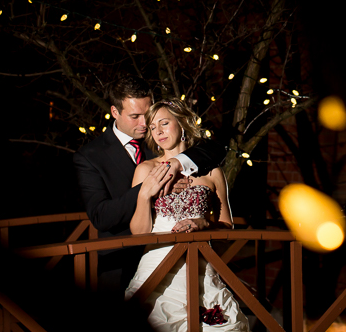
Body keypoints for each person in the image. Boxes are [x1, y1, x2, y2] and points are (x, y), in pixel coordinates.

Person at [73, 75, 227, 295]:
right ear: (115, 112)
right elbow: (101, 216)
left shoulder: (159, 138)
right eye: (135, 116)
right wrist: (149, 187)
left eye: (147, 115)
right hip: (120, 263)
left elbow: (214, 150)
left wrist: (176, 162)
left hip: (184, 260)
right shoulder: (90, 156)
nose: (145, 124)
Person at [125, 98, 249, 331]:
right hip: (157, 265)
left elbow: (226, 226)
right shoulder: (146, 169)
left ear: (182, 124)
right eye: (153, 127)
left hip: (202, 265)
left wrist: (203, 223)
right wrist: (143, 196)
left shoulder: (212, 171)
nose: (158, 131)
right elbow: (138, 232)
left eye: (164, 123)